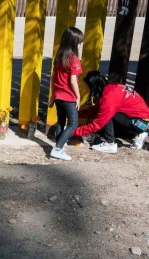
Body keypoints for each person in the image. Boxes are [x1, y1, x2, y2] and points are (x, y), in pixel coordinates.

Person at [74, 71, 149, 153]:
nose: (87, 90)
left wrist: (72, 132)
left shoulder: (109, 98)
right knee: (104, 121)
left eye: (87, 87)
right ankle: (135, 136)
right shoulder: (111, 88)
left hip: (139, 123)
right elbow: (96, 110)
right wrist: (77, 114)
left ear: (93, 86)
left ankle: (109, 144)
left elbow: (97, 124)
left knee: (106, 117)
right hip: (142, 122)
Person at [47, 27, 84, 161]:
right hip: (68, 97)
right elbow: (73, 80)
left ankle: (60, 147)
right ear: (74, 43)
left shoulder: (60, 55)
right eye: (79, 42)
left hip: (58, 95)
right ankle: (57, 149)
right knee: (73, 123)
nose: (81, 44)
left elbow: (53, 76)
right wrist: (78, 96)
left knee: (61, 122)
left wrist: (52, 94)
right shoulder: (74, 59)